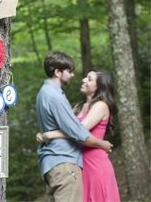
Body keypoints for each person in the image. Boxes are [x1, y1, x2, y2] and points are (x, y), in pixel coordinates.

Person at [36, 51, 113, 202]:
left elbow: (77, 130)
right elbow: (76, 131)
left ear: (99, 86)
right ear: (58, 72)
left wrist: (50, 134)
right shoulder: (67, 101)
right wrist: (103, 143)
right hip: (70, 162)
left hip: (90, 162)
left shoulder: (100, 105)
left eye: (89, 79)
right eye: (69, 71)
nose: (78, 78)